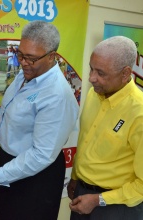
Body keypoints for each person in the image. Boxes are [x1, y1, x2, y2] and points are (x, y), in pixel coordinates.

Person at [0, 21, 79, 220]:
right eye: (20, 54)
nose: (23, 62)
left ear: (52, 56)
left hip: (36, 176)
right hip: (11, 163)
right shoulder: (27, 73)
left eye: (31, 58)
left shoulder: (56, 95)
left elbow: (40, 156)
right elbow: (20, 108)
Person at [67, 36, 143, 219]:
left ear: (125, 73)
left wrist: (98, 199)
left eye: (101, 73)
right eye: (91, 69)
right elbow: (86, 141)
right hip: (81, 194)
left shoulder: (139, 112)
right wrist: (76, 177)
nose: (92, 78)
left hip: (117, 207)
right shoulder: (95, 93)